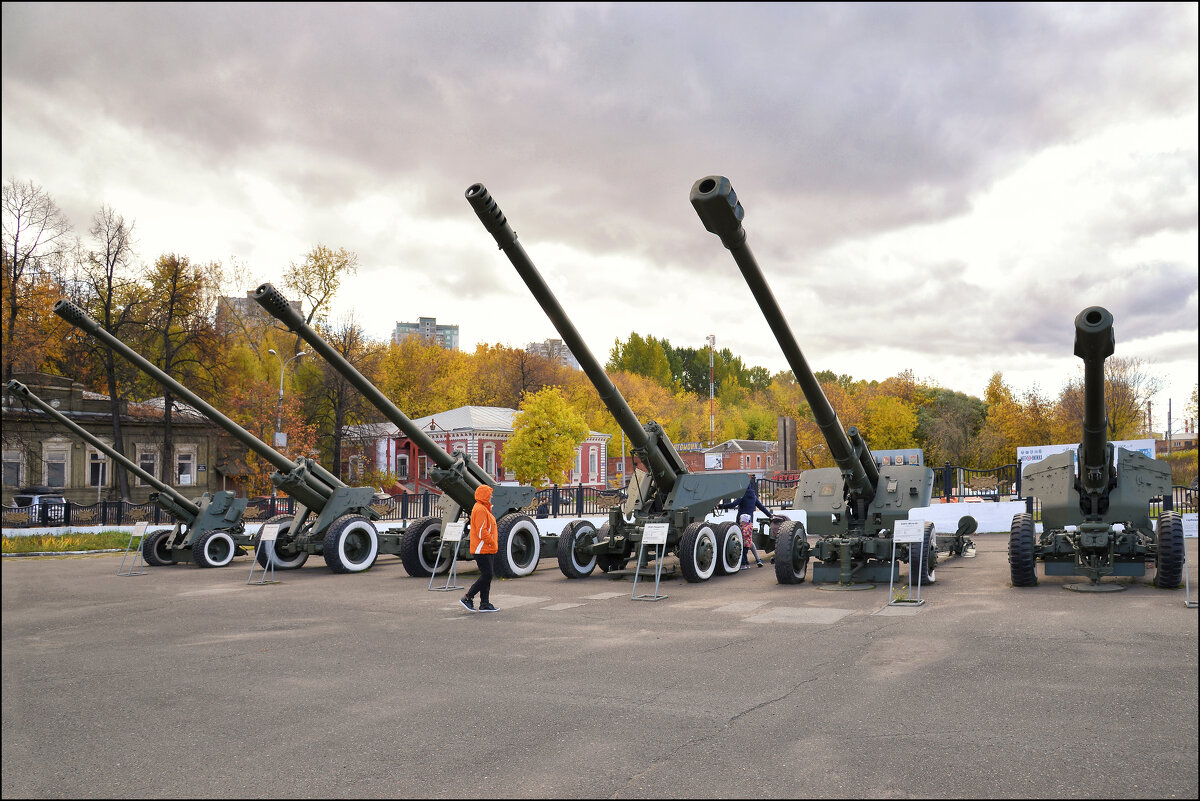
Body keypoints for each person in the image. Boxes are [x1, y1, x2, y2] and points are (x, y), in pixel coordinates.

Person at [460, 484, 499, 612]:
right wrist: (492, 543)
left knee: (487, 575)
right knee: (487, 575)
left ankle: (485, 603)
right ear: (484, 495)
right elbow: (482, 532)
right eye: (489, 494)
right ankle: (468, 597)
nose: (492, 496)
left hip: (486, 548)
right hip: (482, 548)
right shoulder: (481, 509)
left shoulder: (483, 508)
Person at [719, 476, 771, 569]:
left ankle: (744, 563)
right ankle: (757, 560)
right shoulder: (753, 496)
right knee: (748, 541)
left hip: (741, 522)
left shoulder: (742, 495)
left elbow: (733, 504)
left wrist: (720, 506)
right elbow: (762, 507)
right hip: (749, 523)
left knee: (741, 542)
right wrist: (770, 515)